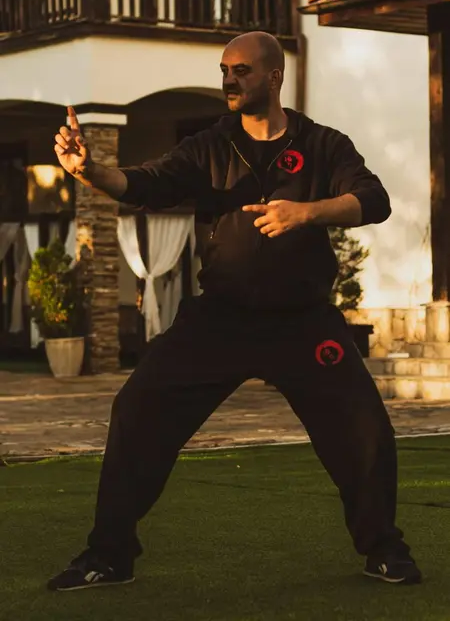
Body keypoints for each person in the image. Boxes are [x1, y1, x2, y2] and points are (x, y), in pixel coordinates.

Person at [48, 31, 421, 591]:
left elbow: (374, 200)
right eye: (224, 70)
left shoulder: (323, 144)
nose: (229, 79)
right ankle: (109, 555)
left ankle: (384, 550)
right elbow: (148, 183)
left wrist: (307, 212)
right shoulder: (208, 146)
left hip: (302, 321)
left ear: (274, 77)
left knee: (364, 427)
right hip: (220, 319)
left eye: (241, 70)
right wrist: (90, 172)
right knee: (137, 410)